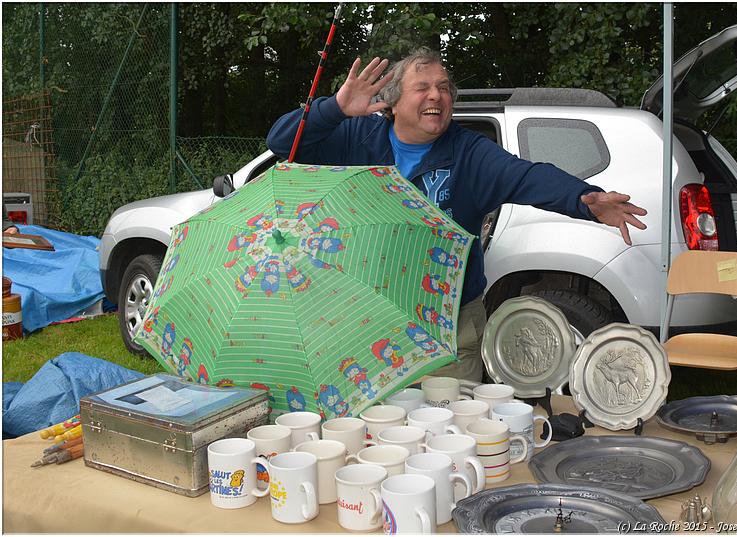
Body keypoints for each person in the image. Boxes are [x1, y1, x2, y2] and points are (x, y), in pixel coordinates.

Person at [267, 47, 647, 382]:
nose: (437, 94)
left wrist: (582, 199)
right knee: (378, 433)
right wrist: (334, 108)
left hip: (449, 325)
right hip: (371, 321)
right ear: (393, 103)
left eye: (444, 87)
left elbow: (525, 176)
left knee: (450, 430)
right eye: (423, 87)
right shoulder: (357, 138)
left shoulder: (469, 153)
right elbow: (283, 143)